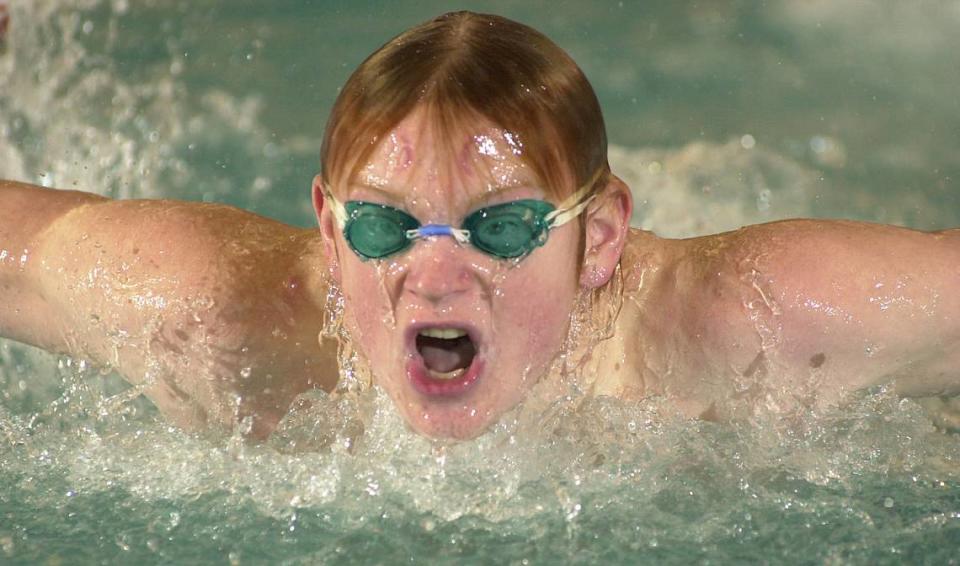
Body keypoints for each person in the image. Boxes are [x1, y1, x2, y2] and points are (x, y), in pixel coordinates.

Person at [0, 11, 957, 441]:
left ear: (605, 238)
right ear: (329, 230)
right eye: (384, 227)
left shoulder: (744, 328)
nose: (437, 278)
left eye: (499, 229)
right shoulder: (219, 317)